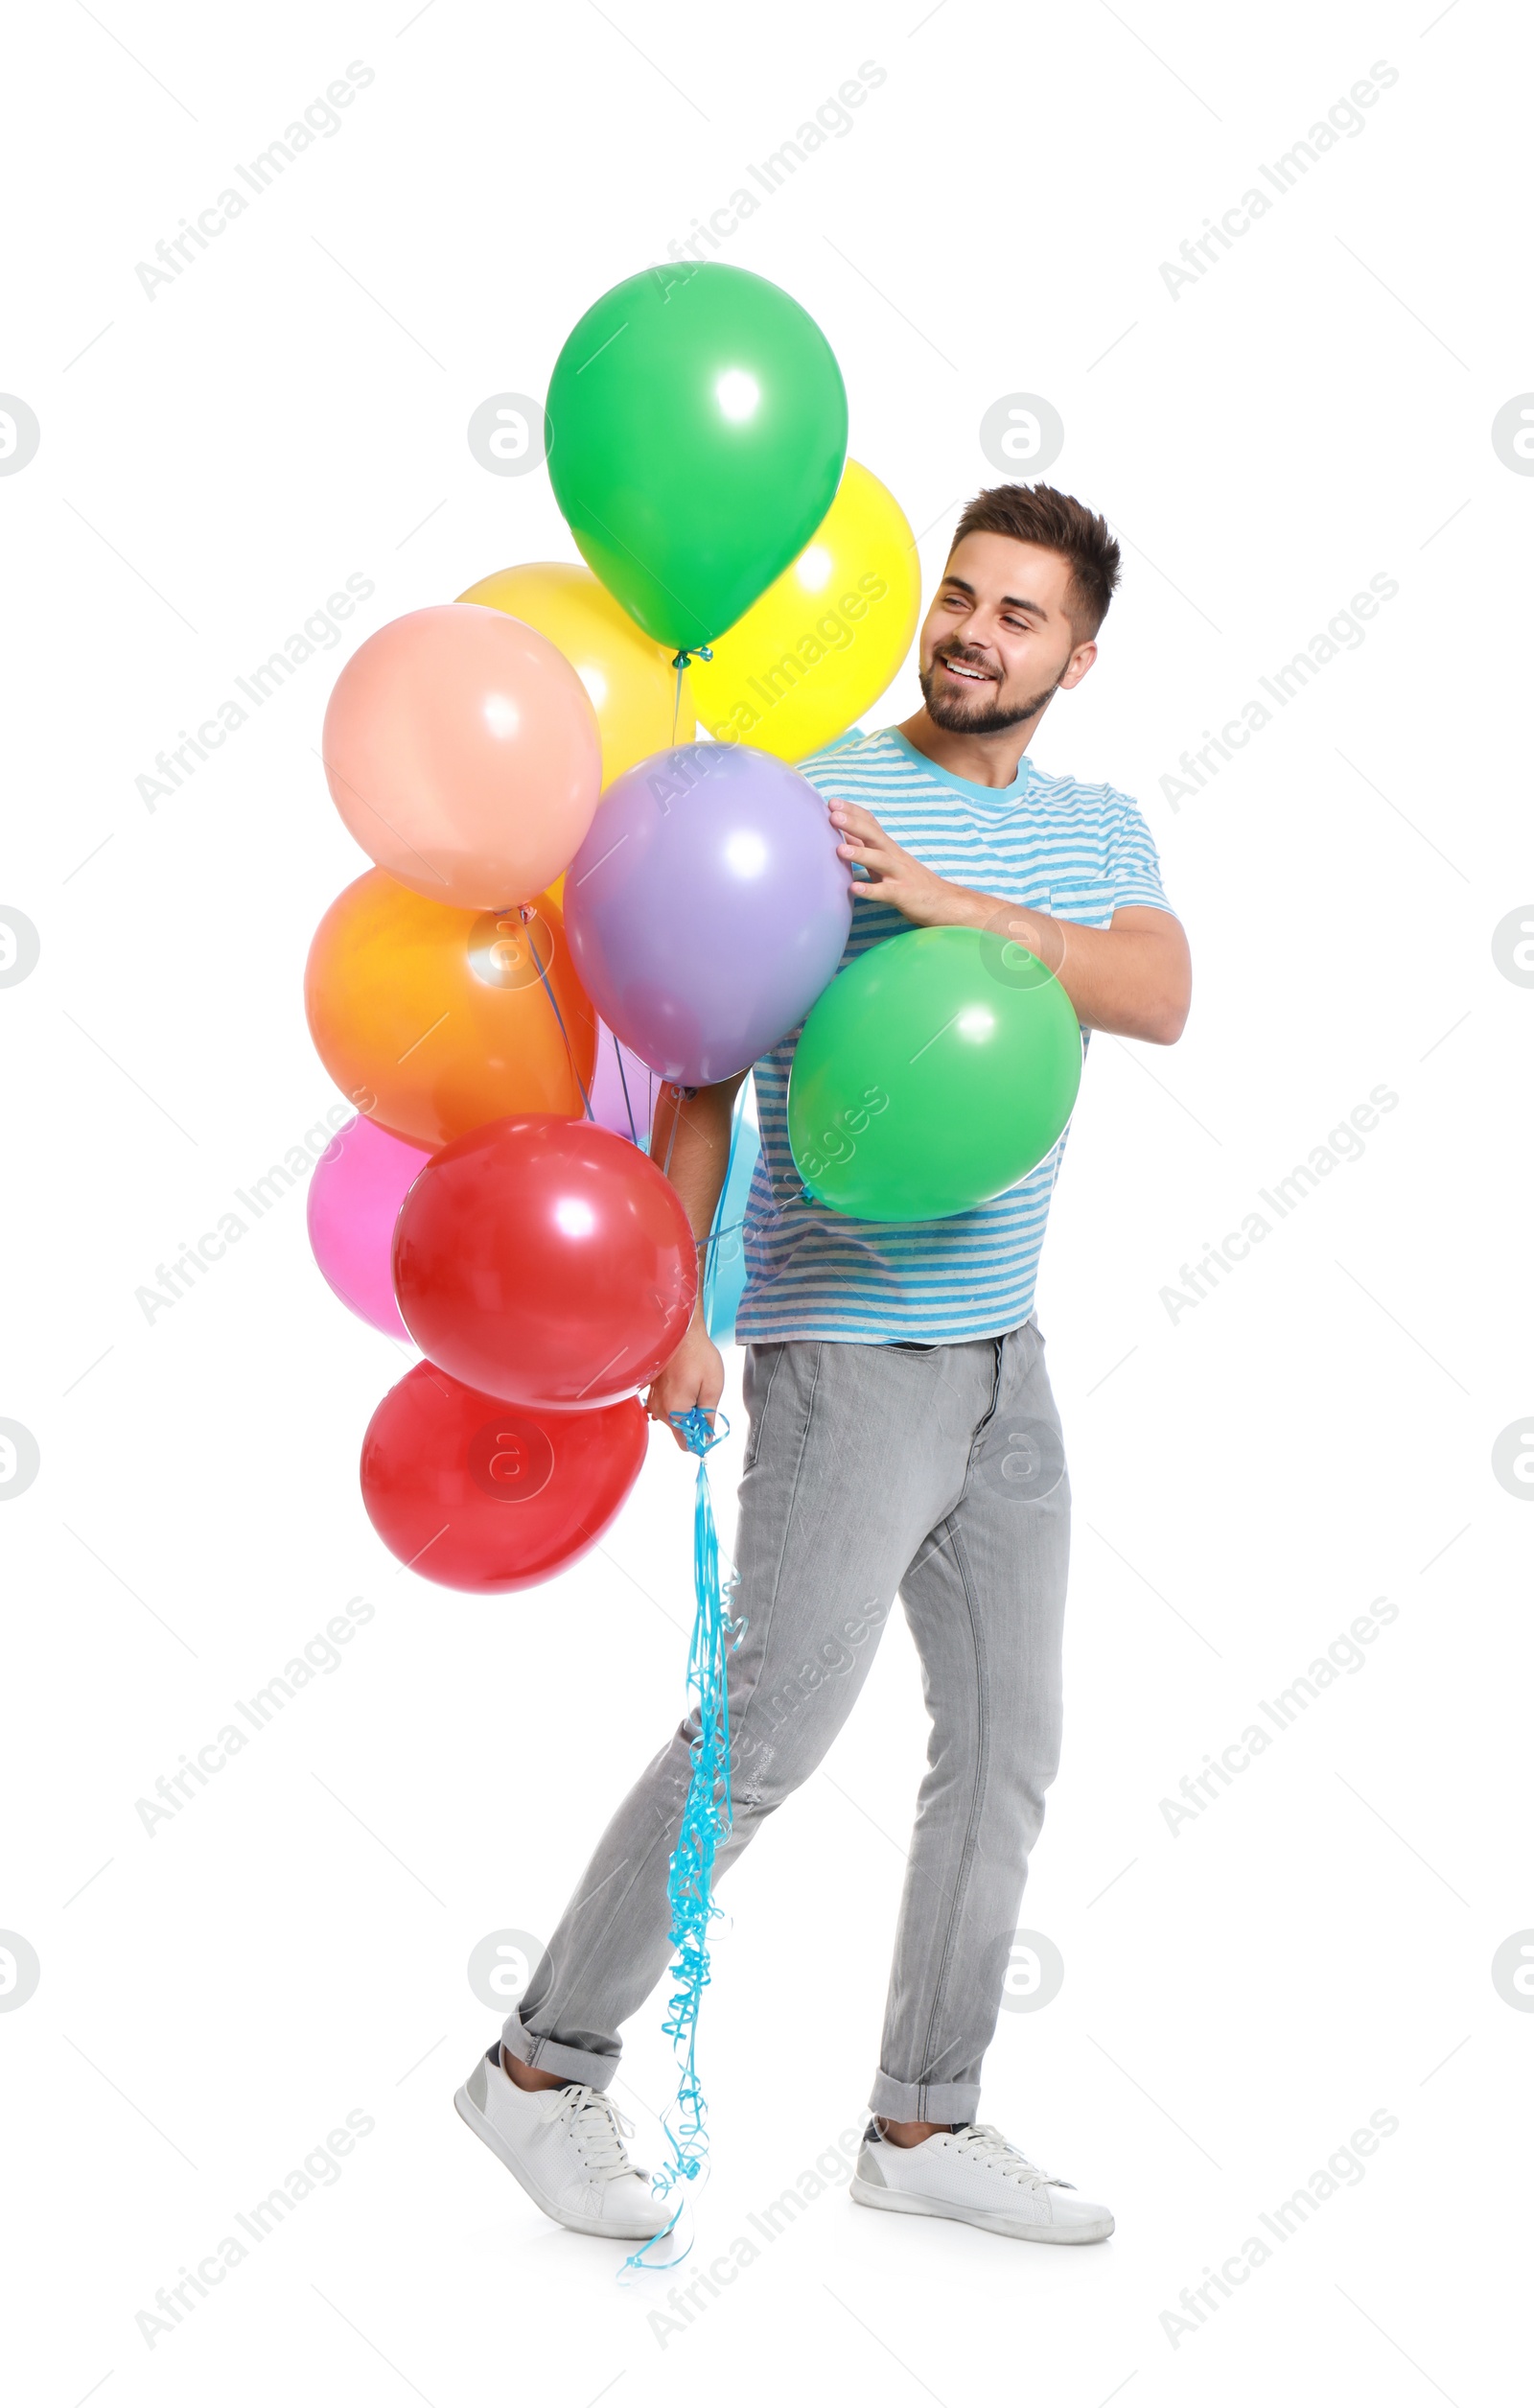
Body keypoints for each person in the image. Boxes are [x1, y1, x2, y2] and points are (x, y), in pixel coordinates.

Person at [455, 481, 1192, 2246]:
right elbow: (703, 1073)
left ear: (1078, 656)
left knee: (1013, 1741)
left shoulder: (1095, 832)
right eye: (959, 594)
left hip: (1007, 1358)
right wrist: (678, 1320)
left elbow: (1159, 992)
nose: (972, 631)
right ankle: (541, 2071)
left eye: (1020, 615)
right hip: (847, 1349)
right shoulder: (815, 805)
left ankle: (924, 2126)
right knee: (765, 1734)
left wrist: (955, 907)